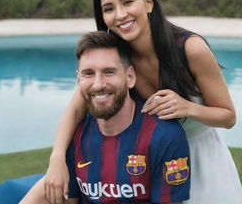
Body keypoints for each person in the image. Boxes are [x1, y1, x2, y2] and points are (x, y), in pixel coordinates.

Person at [44, 0, 242, 204]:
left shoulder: (190, 49)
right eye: (108, 9)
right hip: (150, 161)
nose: (120, 14)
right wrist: (56, 158)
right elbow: (75, 109)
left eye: (127, 2)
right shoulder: (117, 59)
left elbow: (228, 117)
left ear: (148, 2)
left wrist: (188, 108)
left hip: (202, 160)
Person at [19, 31, 191, 204]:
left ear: (130, 77)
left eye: (109, 72)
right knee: (43, 190)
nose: (98, 84)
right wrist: (56, 158)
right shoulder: (75, 134)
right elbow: (70, 200)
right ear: (78, 80)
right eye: (89, 73)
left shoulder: (164, 136)